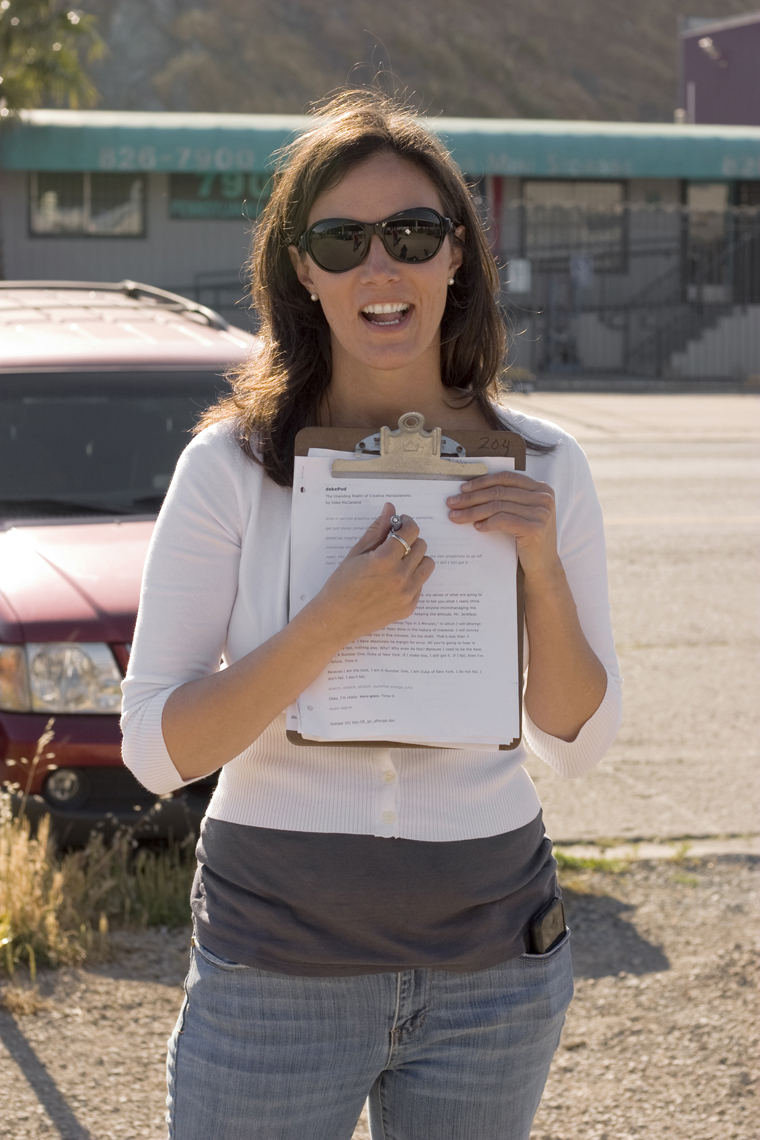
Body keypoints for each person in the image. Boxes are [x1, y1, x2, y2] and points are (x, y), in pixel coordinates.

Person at [121, 89, 622, 1140]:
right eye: (341, 240)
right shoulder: (228, 468)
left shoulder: (543, 466)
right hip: (275, 963)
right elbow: (157, 752)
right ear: (301, 270)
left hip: (495, 967)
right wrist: (326, 624)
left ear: (456, 258)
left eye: (411, 233)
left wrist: (541, 565)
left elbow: (575, 744)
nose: (378, 267)